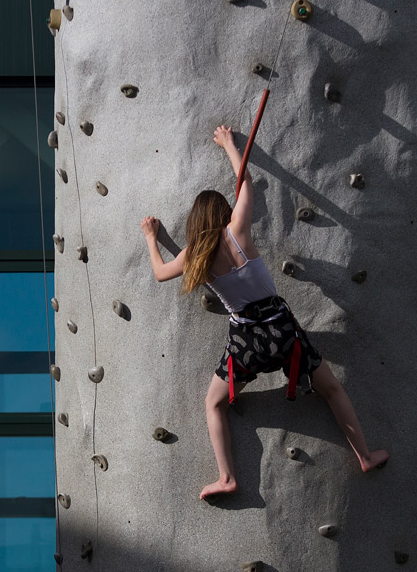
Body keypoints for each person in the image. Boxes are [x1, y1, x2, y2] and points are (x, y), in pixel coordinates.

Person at [141, 124, 389, 500]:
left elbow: (160, 273)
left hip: (246, 341)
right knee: (332, 389)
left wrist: (150, 238)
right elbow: (246, 184)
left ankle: (227, 477)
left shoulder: (194, 258)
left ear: (194, 224)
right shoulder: (237, 231)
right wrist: (228, 144)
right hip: (281, 328)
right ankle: (365, 455)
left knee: (213, 404)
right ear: (222, 214)